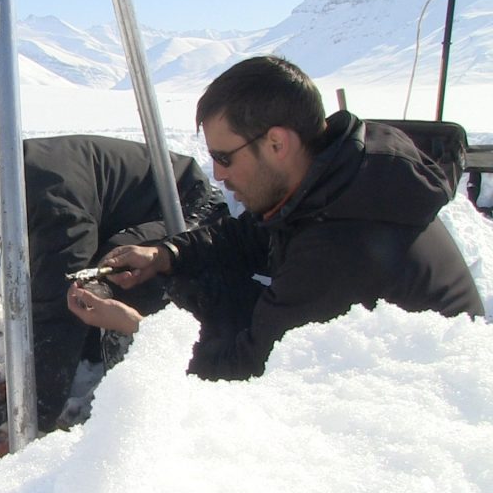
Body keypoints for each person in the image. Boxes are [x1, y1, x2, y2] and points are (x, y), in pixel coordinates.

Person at [69, 55, 485, 381]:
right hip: (357, 371)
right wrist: (164, 253)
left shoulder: (341, 245)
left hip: (392, 425)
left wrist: (137, 329)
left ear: (277, 143)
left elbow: (243, 373)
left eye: (224, 157)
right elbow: (249, 237)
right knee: (194, 283)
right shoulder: (339, 184)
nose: (217, 174)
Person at [0, 123, 228, 436]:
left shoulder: (46, 198)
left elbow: (59, 304)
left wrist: (31, 413)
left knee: (110, 276)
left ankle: (139, 396)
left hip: (191, 209)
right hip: (144, 209)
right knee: (91, 282)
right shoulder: (8, 178)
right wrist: (25, 372)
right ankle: (92, 355)